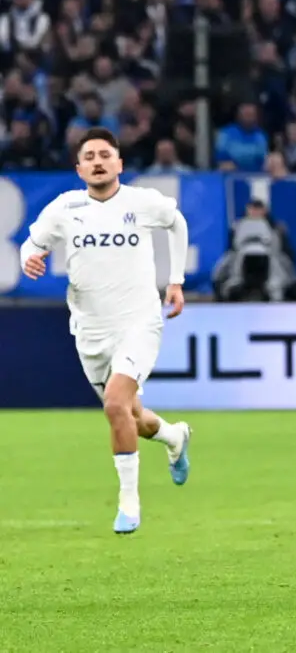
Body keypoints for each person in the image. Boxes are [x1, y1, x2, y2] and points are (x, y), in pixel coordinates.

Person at [19, 127, 193, 535]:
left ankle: (129, 503)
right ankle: (173, 437)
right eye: (89, 157)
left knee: (115, 404)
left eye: (104, 155)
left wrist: (176, 280)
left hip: (138, 321)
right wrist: (30, 258)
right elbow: (32, 244)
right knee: (130, 415)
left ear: (119, 164)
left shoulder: (141, 202)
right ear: (79, 169)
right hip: (91, 330)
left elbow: (177, 223)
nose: (97, 162)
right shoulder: (66, 207)